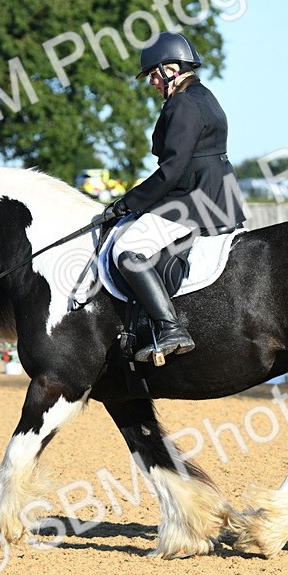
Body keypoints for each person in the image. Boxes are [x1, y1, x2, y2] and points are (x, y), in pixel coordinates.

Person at [102, 31, 246, 362]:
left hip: (194, 199)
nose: (151, 82)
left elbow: (173, 170)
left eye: (154, 73)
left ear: (171, 68)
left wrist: (129, 202)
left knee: (127, 250)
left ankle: (169, 327)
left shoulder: (182, 103)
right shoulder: (204, 96)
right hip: (220, 194)